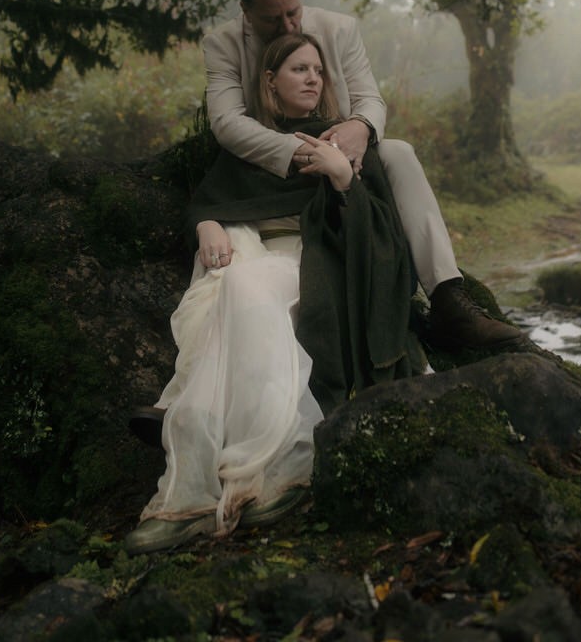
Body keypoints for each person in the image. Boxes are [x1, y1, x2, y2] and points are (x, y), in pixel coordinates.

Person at [124, 34, 416, 556]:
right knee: (236, 284)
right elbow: (207, 201)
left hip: (319, 261)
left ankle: (200, 474)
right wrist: (208, 223)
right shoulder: (251, 146)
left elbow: (386, 241)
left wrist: (344, 179)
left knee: (242, 283)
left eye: (319, 71)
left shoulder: (346, 144)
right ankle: (237, 480)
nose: (313, 79)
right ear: (270, 82)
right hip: (255, 255)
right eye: (299, 69)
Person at [203, 0, 523, 353]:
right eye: (272, 18)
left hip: (348, 160)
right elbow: (227, 123)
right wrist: (302, 150)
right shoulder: (222, 44)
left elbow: (370, 98)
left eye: (294, 12)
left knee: (400, 153)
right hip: (270, 171)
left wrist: (361, 128)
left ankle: (448, 300)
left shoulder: (340, 29)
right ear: (246, 11)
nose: (287, 26)